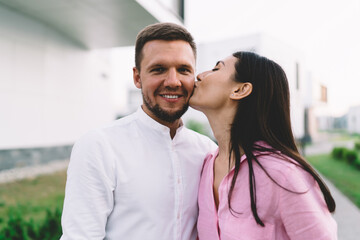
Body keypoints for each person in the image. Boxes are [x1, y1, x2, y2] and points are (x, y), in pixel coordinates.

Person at [60, 22, 217, 240]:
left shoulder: (209, 152)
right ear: (137, 77)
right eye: (158, 69)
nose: (173, 82)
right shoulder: (99, 146)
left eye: (183, 70)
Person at [190, 51, 337, 240]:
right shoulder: (206, 165)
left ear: (240, 90)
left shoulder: (282, 174)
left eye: (216, 68)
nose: (200, 75)